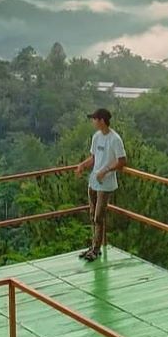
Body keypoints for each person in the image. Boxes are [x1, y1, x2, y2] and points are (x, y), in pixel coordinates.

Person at [71, 108, 127, 262]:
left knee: (98, 216)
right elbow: (94, 158)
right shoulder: (96, 137)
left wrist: (106, 170)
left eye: (95, 119)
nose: (93, 122)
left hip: (106, 183)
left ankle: (96, 249)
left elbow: (122, 161)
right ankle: (93, 245)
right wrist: (83, 165)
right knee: (92, 215)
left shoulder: (115, 139)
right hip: (94, 182)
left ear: (102, 120)